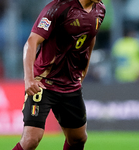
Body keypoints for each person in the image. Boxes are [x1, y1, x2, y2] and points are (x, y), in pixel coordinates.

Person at [12, 0, 106, 150]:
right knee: (31, 139)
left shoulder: (100, 10)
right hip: (43, 82)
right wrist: (29, 78)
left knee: (78, 138)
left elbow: (91, 36)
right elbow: (32, 41)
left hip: (70, 84)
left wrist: (85, 67)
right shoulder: (58, 8)